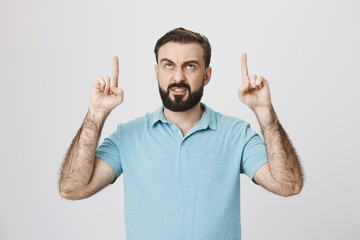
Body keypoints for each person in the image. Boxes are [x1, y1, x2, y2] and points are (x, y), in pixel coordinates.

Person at [59, 27, 303, 240]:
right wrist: (96, 114)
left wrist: (264, 112)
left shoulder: (236, 135)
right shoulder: (128, 136)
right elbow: (72, 188)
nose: (178, 77)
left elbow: (288, 185)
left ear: (206, 75)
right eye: (168, 65)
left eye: (190, 66)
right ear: (157, 72)